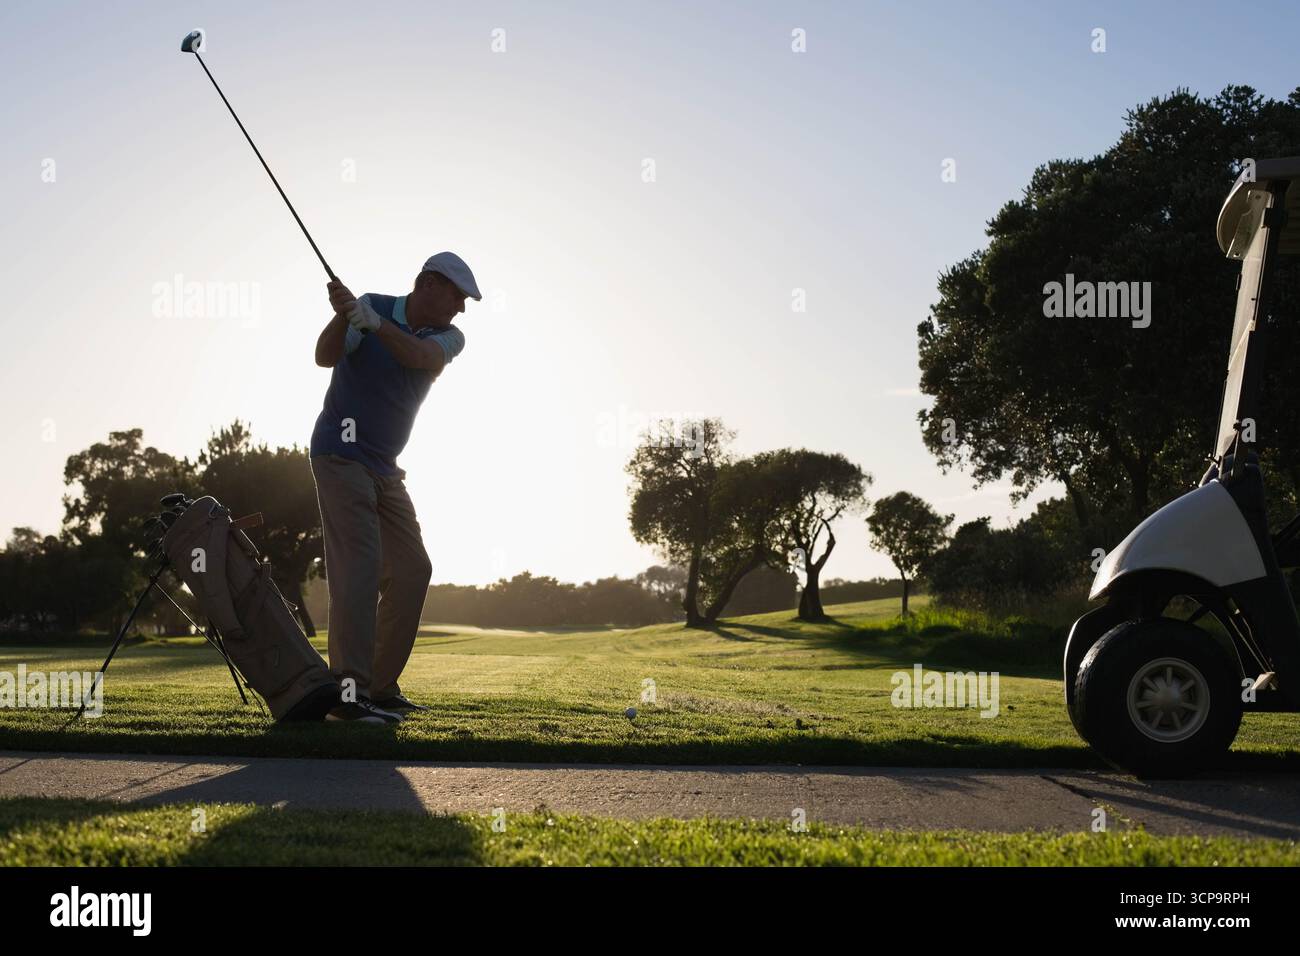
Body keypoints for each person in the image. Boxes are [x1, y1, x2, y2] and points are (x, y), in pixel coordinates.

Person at [309, 252, 480, 723]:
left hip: (385, 466)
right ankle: (347, 698)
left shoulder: (449, 337)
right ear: (428, 283)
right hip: (339, 454)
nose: (461, 308)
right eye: (457, 296)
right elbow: (325, 356)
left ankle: (379, 689)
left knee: (412, 569)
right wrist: (343, 316)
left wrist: (374, 325)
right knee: (359, 566)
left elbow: (419, 356)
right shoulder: (371, 305)